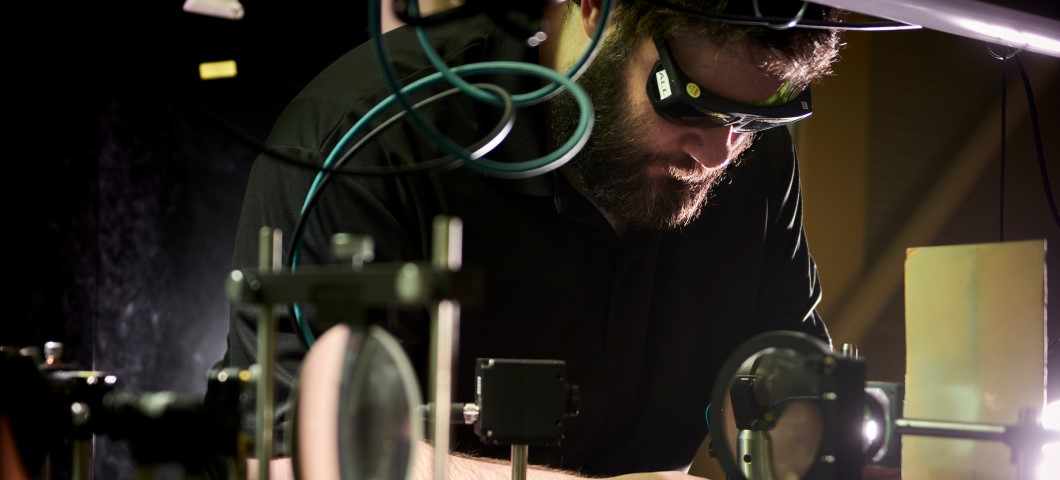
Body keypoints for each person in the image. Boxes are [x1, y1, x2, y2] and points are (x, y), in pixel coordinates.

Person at [213, 0, 843, 478]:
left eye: (753, 120)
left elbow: (776, 372)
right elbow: (294, 455)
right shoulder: (374, 141)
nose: (717, 153)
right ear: (595, 9)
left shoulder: (750, 159)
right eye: (684, 105)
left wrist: (805, 433)